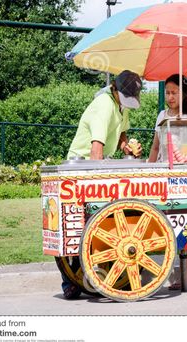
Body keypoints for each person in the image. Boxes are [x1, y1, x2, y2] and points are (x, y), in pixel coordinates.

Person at [62, 70, 143, 299]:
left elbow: (121, 134)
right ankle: (71, 280)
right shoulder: (104, 105)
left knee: (98, 223)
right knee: (79, 225)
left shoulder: (120, 105)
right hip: (81, 166)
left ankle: (95, 275)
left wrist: (127, 148)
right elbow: (96, 148)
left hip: (97, 165)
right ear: (114, 89)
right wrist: (100, 179)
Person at [148, 74, 187, 290]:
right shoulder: (162, 115)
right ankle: (172, 273)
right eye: (167, 93)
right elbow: (155, 146)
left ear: (183, 93)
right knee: (167, 226)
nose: (169, 97)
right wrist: (148, 169)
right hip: (162, 176)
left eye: (174, 92)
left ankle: (186, 277)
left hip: (185, 178)